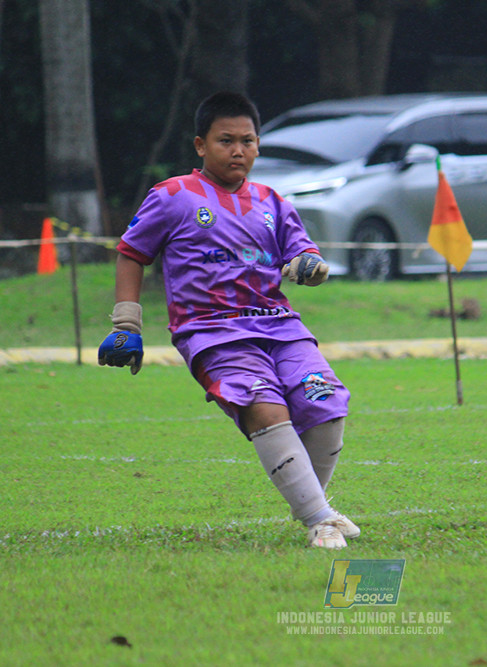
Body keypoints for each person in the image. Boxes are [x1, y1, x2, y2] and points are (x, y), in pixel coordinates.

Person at [97, 91, 358, 549]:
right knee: (265, 409)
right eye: (226, 141)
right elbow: (130, 254)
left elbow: (305, 254)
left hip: (280, 325)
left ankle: (318, 506)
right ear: (201, 145)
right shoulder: (173, 197)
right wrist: (126, 325)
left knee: (327, 404)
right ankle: (319, 519)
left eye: (248, 141)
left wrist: (311, 267)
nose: (239, 150)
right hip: (213, 333)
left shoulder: (271, 201)